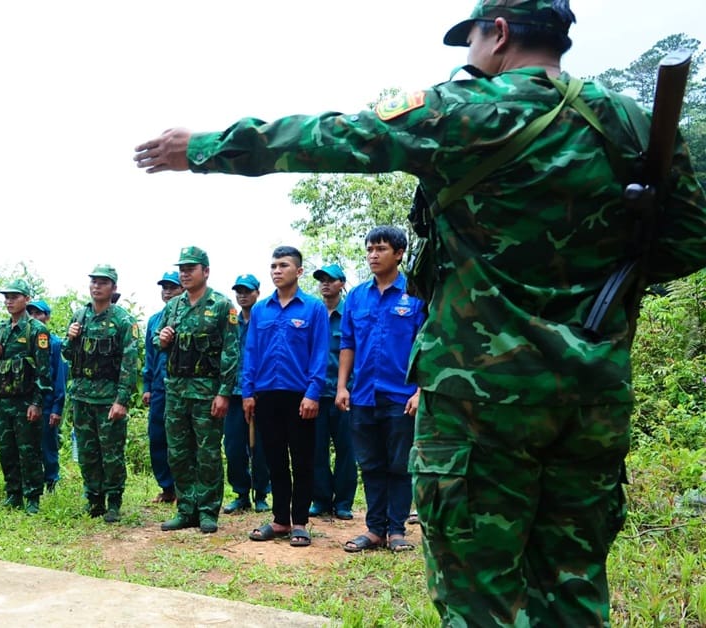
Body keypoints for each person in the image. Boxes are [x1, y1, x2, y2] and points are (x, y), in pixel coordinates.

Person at [134, 1, 706, 620]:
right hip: (591, 396)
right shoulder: (630, 123)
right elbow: (689, 237)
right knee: (571, 587)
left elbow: (335, 136)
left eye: (473, 40)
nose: (468, 55)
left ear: (501, 34)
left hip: (478, 400)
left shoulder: (466, 110)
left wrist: (208, 146)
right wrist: (588, 281)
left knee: (478, 592)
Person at [333, 227, 425, 555]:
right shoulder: (357, 296)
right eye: (370, 249)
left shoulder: (416, 294)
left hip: (402, 396)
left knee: (399, 464)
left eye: (381, 248)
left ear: (399, 254)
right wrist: (342, 386)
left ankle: (397, 530)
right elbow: (348, 344)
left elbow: (426, 346)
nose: (373, 254)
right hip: (362, 395)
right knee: (370, 463)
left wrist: (420, 391)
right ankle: (374, 529)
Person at [241, 247, 329, 547]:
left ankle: (300, 522)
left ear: (299, 271)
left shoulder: (314, 308)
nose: (277, 271)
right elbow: (250, 352)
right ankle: (280, 521)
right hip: (266, 395)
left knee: (302, 459)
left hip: (300, 396)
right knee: (274, 459)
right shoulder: (261, 310)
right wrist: (248, 391)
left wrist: (313, 393)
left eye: (284, 265)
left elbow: (320, 353)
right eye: (273, 266)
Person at [157, 246, 239, 534]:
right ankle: (185, 509)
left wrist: (224, 392)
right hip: (176, 390)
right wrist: (163, 339)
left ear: (205, 271)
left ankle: (207, 511)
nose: (185, 273)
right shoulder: (173, 306)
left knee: (207, 454)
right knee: (178, 453)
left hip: (207, 392)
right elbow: (161, 344)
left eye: (191, 268)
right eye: (182, 268)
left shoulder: (221, 305)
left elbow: (231, 352)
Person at [63, 265, 140, 522]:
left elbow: (130, 364)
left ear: (113, 288)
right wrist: (70, 338)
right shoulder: (79, 316)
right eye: (94, 282)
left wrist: (122, 400)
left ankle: (114, 501)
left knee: (112, 453)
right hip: (82, 397)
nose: (97, 286)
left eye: (103, 282)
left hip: (108, 398)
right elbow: (66, 354)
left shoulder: (122, 320)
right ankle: (94, 500)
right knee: (87, 452)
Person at [0, 279, 53, 514]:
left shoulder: (36, 330)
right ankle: (13, 493)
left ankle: (32, 497)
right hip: (5, 402)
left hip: (26, 402)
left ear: (26, 299)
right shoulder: (1, 329)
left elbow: (44, 371)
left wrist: (37, 403)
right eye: (6, 297)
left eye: (14, 296)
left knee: (29, 451)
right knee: (7, 449)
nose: (9, 301)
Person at [309, 264, 356, 521]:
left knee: (346, 449)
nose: (325, 284)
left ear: (342, 283)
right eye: (322, 280)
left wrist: (349, 386)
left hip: (345, 393)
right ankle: (321, 499)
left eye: (331, 280)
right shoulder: (313, 313)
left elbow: (356, 351)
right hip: (316, 393)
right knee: (316, 449)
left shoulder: (350, 313)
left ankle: (344, 502)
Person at [222, 273, 271, 514]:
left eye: (247, 291)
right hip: (233, 392)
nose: (242, 295)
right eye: (239, 291)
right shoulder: (230, 321)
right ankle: (241, 493)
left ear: (257, 293)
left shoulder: (265, 319)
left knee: (260, 446)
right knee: (232, 445)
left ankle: (261, 493)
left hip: (260, 392)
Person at [143, 271, 183, 504]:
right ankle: (167, 487)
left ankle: (183, 487)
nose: (167, 291)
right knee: (157, 437)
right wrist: (147, 385)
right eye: (164, 287)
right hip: (159, 386)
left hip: (181, 386)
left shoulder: (188, 315)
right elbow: (150, 356)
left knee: (180, 439)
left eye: (172, 287)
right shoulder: (154, 320)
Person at [26, 299, 68, 492]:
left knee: (47, 445)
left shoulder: (55, 343)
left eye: (38, 313)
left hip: (48, 404)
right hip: (27, 403)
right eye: (31, 313)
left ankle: (51, 481)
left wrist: (57, 408)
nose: (34, 317)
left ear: (47, 317)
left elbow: (59, 377)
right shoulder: (24, 341)